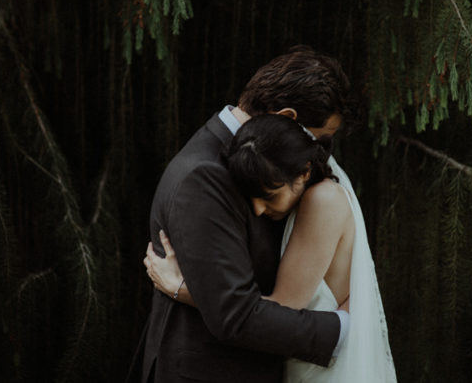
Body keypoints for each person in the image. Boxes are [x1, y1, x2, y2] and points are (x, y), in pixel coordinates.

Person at [132, 46, 357, 383]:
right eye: (320, 140)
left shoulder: (270, 167)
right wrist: (347, 329)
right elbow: (234, 314)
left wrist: (188, 290)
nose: (320, 154)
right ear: (287, 118)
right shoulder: (205, 176)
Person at [145, 114, 397, 382]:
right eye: (252, 196)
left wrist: (183, 289)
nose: (258, 208)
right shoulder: (304, 199)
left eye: (270, 196)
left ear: (305, 173)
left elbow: (280, 309)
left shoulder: (322, 200)